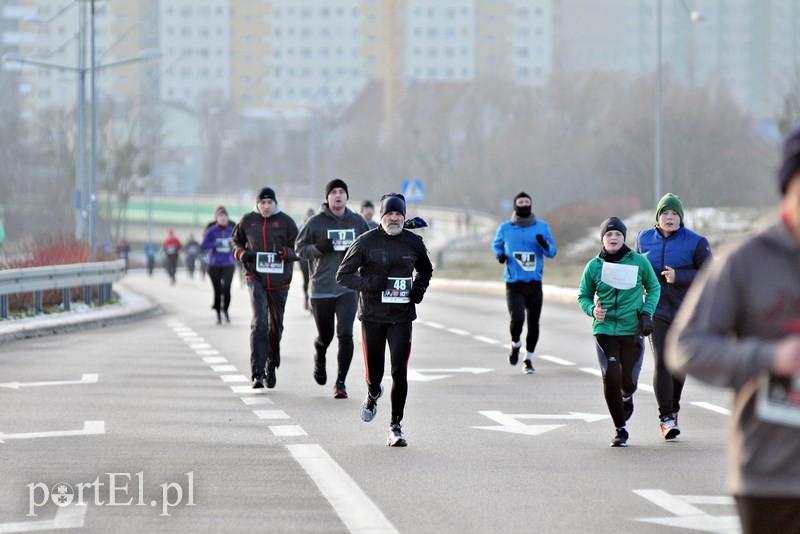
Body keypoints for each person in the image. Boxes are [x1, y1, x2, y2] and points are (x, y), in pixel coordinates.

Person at [666, 128, 800, 532]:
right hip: (774, 477)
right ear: (788, 186)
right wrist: (770, 358)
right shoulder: (746, 261)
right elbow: (687, 348)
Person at [336, 193, 433, 447]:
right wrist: (370, 284)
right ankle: (372, 393)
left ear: (404, 217)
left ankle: (395, 426)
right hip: (373, 316)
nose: (394, 218)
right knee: (375, 374)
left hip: (401, 317)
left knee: (400, 371)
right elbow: (342, 275)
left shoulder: (413, 242)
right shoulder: (365, 242)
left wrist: (418, 290)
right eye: (389, 214)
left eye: (398, 214)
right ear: (381, 217)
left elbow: (426, 270)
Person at [577, 217, 660, 447]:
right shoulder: (594, 266)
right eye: (608, 235)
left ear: (624, 238)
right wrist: (593, 310)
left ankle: (627, 396)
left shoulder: (638, 262)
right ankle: (620, 429)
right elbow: (583, 296)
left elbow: (653, 287)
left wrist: (646, 313)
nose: (613, 238)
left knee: (629, 383)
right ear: (602, 238)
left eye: (618, 235)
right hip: (604, 330)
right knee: (610, 376)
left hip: (631, 329)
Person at [635, 192, 712, 440]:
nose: (669, 218)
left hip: (686, 311)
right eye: (665, 213)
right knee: (663, 363)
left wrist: (680, 277)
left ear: (681, 218)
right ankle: (666, 418)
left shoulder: (696, 242)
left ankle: (674, 407)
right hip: (655, 310)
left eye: (674, 214)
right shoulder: (644, 238)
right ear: (658, 217)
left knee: (679, 363)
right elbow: (636, 271)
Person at [295, 179, 370, 399]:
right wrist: (319, 248)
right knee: (325, 336)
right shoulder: (315, 223)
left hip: (348, 288)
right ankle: (320, 352)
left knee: (345, 334)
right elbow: (299, 249)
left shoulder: (357, 222)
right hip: (322, 288)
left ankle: (340, 382)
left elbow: (369, 246)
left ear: (347, 196)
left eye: (341, 192)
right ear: (327, 198)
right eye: (333, 192)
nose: (338, 196)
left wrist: (358, 255)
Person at [232, 188, 299, 389]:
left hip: (280, 283)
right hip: (256, 278)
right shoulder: (247, 220)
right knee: (259, 323)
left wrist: (285, 252)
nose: (266, 206)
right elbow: (235, 241)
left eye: (270, 203)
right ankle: (257, 373)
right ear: (258, 204)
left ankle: (271, 365)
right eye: (263, 203)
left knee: (275, 328)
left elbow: (299, 249)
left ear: (275, 204)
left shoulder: (286, 222)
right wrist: (241, 252)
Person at [492, 192, 557, 374]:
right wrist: (500, 255)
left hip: (534, 283)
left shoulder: (542, 227)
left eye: (527, 202)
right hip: (514, 283)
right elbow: (496, 245)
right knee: (517, 319)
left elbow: (552, 252)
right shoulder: (505, 228)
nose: (524, 204)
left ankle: (528, 359)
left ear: (531, 205)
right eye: (520, 202)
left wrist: (544, 243)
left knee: (533, 323)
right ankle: (515, 344)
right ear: (515, 206)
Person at [201, 206, 236, 324]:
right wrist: (214, 243)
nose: (223, 219)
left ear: (228, 218)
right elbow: (203, 245)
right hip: (214, 264)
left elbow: (240, 243)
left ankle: (225, 309)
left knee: (227, 288)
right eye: (220, 217)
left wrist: (232, 245)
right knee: (217, 290)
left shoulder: (232, 230)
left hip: (228, 264)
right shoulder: (211, 231)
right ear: (216, 218)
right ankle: (217, 313)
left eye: (225, 217)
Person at [298, 208, 316, 311]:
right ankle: (306, 299)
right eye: (309, 215)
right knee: (306, 280)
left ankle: (313, 302)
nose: (310, 217)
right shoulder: (301, 227)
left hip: (315, 258)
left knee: (314, 280)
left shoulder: (318, 226)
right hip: (304, 259)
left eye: (312, 215)